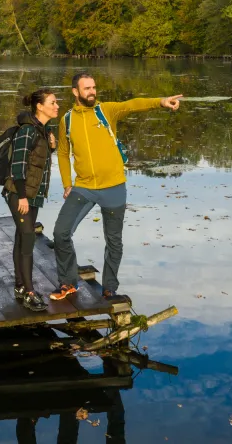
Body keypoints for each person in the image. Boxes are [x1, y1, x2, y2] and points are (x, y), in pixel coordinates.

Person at [49, 72, 181, 302]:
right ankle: (68, 283)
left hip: (114, 187)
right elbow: (62, 152)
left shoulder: (106, 110)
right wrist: (67, 183)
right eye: (87, 88)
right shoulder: (67, 120)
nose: (92, 91)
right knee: (61, 233)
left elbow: (132, 105)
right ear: (75, 92)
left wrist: (160, 102)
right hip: (84, 188)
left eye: (94, 87)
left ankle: (109, 287)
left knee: (114, 241)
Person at [4, 88, 60, 312]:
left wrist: (52, 148)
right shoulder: (27, 130)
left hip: (33, 193)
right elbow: (18, 166)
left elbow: (37, 161)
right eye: (53, 102)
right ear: (40, 106)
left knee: (22, 237)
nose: (57, 106)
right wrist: (23, 196)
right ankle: (29, 292)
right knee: (27, 238)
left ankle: (19, 285)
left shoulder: (44, 130)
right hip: (20, 193)